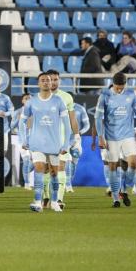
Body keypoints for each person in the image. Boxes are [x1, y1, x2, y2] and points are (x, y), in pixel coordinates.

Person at [20, 72, 72, 213]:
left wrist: (66, 144)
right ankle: (38, 202)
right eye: (42, 80)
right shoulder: (31, 101)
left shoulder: (58, 101)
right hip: (37, 143)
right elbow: (22, 121)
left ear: (51, 83)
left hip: (54, 144)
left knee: (54, 173)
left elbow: (67, 125)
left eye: (48, 80)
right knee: (39, 169)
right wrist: (24, 139)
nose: (46, 82)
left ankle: (54, 202)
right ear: (38, 83)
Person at [95, 72, 136, 208]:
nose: (119, 90)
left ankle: (124, 186)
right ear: (113, 84)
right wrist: (100, 137)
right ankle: (116, 199)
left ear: (125, 84)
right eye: (117, 87)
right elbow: (98, 117)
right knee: (113, 167)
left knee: (133, 163)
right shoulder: (105, 95)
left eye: (122, 87)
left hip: (128, 135)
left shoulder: (131, 94)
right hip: (111, 137)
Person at [45, 70, 80, 208]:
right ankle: (46, 197)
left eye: (56, 79)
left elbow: (72, 118)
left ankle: (58, 200)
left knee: (61, 167)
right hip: (44, 139)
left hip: (61, 139)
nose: (53, 82)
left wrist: (77, 136)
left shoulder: (67, 97)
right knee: (46, 170)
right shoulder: (39, 97)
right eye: (51, 79)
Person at [66, 102, 90, 193]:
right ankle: (67, 185)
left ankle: (68, 184)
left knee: (73, 163)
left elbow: (87, 125)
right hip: (64, 139)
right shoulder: (60, 106)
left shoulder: (80, 108)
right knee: (66, 161)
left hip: (76, 139)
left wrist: (79, 132)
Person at [10, 93, 33, 188]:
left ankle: (26, 173)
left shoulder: (37, 112)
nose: (28, 100)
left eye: (30, 98)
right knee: (26, 161)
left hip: (34, 141)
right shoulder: (18, 112)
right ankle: (27, 184)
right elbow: (11, 126)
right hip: (22, 141)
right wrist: (18, 120)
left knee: (35, 163)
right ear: (22, 101)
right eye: (26, 98)